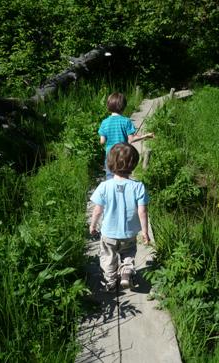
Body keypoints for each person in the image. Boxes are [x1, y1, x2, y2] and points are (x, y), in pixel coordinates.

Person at [89, 142, 150, 291]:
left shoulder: (104, 186)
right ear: (134, 164)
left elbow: (97, 210)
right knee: (128, 253)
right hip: (129, 233)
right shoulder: (138, 186)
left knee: (108, 256)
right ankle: (126, 272)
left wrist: (93, 225)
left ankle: (109, 282)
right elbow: (142, 212)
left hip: (108, 233)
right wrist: (145, 232)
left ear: (109, 163)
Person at [98, 92, 153, 179]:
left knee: (110, 177)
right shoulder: (126, 121)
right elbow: (131, 139)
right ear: (123, 107)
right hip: (123, 154)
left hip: (110, 154)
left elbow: (102, 141)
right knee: (123, 177)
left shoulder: (104, 122)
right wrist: (145, 136)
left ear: (108, 106)